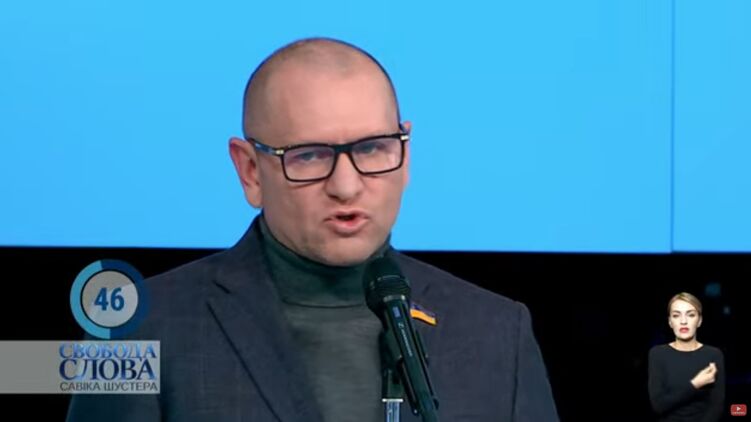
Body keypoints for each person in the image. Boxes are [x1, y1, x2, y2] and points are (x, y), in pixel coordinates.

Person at [67, 37, 558, 421]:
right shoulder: (131, 333)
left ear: (406, 153)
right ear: (250, 171)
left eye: (372, 148)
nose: (346, 186)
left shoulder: (498, 333)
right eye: (309, 156)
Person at [648, 292, 725, 421]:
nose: (683, 321)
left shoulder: (713, 354)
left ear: (699, 321)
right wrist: (695, 384)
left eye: (691, 315)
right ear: (670, 322)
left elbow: (717, 406)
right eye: (676, 315)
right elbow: (658, 406)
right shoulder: (657, 354)